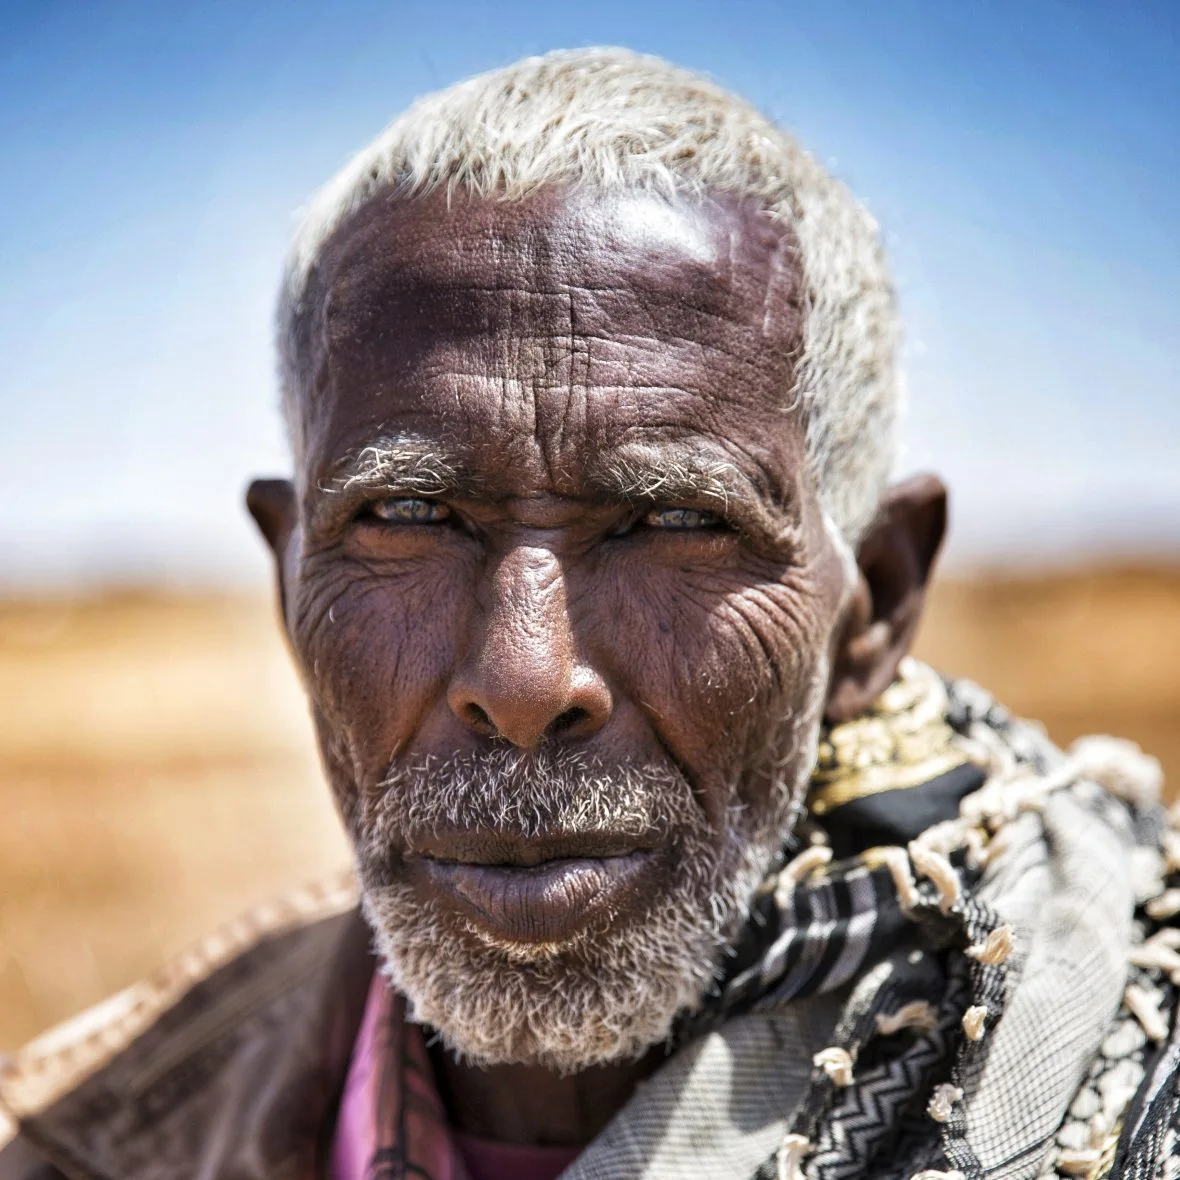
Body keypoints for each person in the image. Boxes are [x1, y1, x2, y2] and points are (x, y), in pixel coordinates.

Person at [2, 48, 1175, 1180]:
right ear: (287, 577)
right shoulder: (79, 1133)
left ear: (871, 604)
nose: (523, 679)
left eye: (673, 522)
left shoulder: (1126, 1080)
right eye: (410, 512)